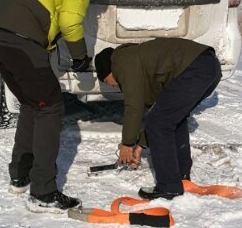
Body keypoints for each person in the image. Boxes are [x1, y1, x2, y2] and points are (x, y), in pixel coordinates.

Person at [0, 0, 107, 211]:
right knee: (50, 108)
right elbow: (70, 21)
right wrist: (80, 58)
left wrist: (13, 9)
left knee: (32, 104)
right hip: (22, 39)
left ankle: (20, 177)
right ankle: (43, 193)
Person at [94, 38, 222, 200]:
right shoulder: (138, 60)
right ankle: (181, 177)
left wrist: (127, 144)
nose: (111, 85)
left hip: (195, 67)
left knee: (159, 123)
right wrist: (141, 145)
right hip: (209, 67)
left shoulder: (123, 61)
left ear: (109, 71)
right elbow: (157, 108)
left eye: (106, 80)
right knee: (173, 119)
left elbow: (134, 107)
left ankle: (169, 186)